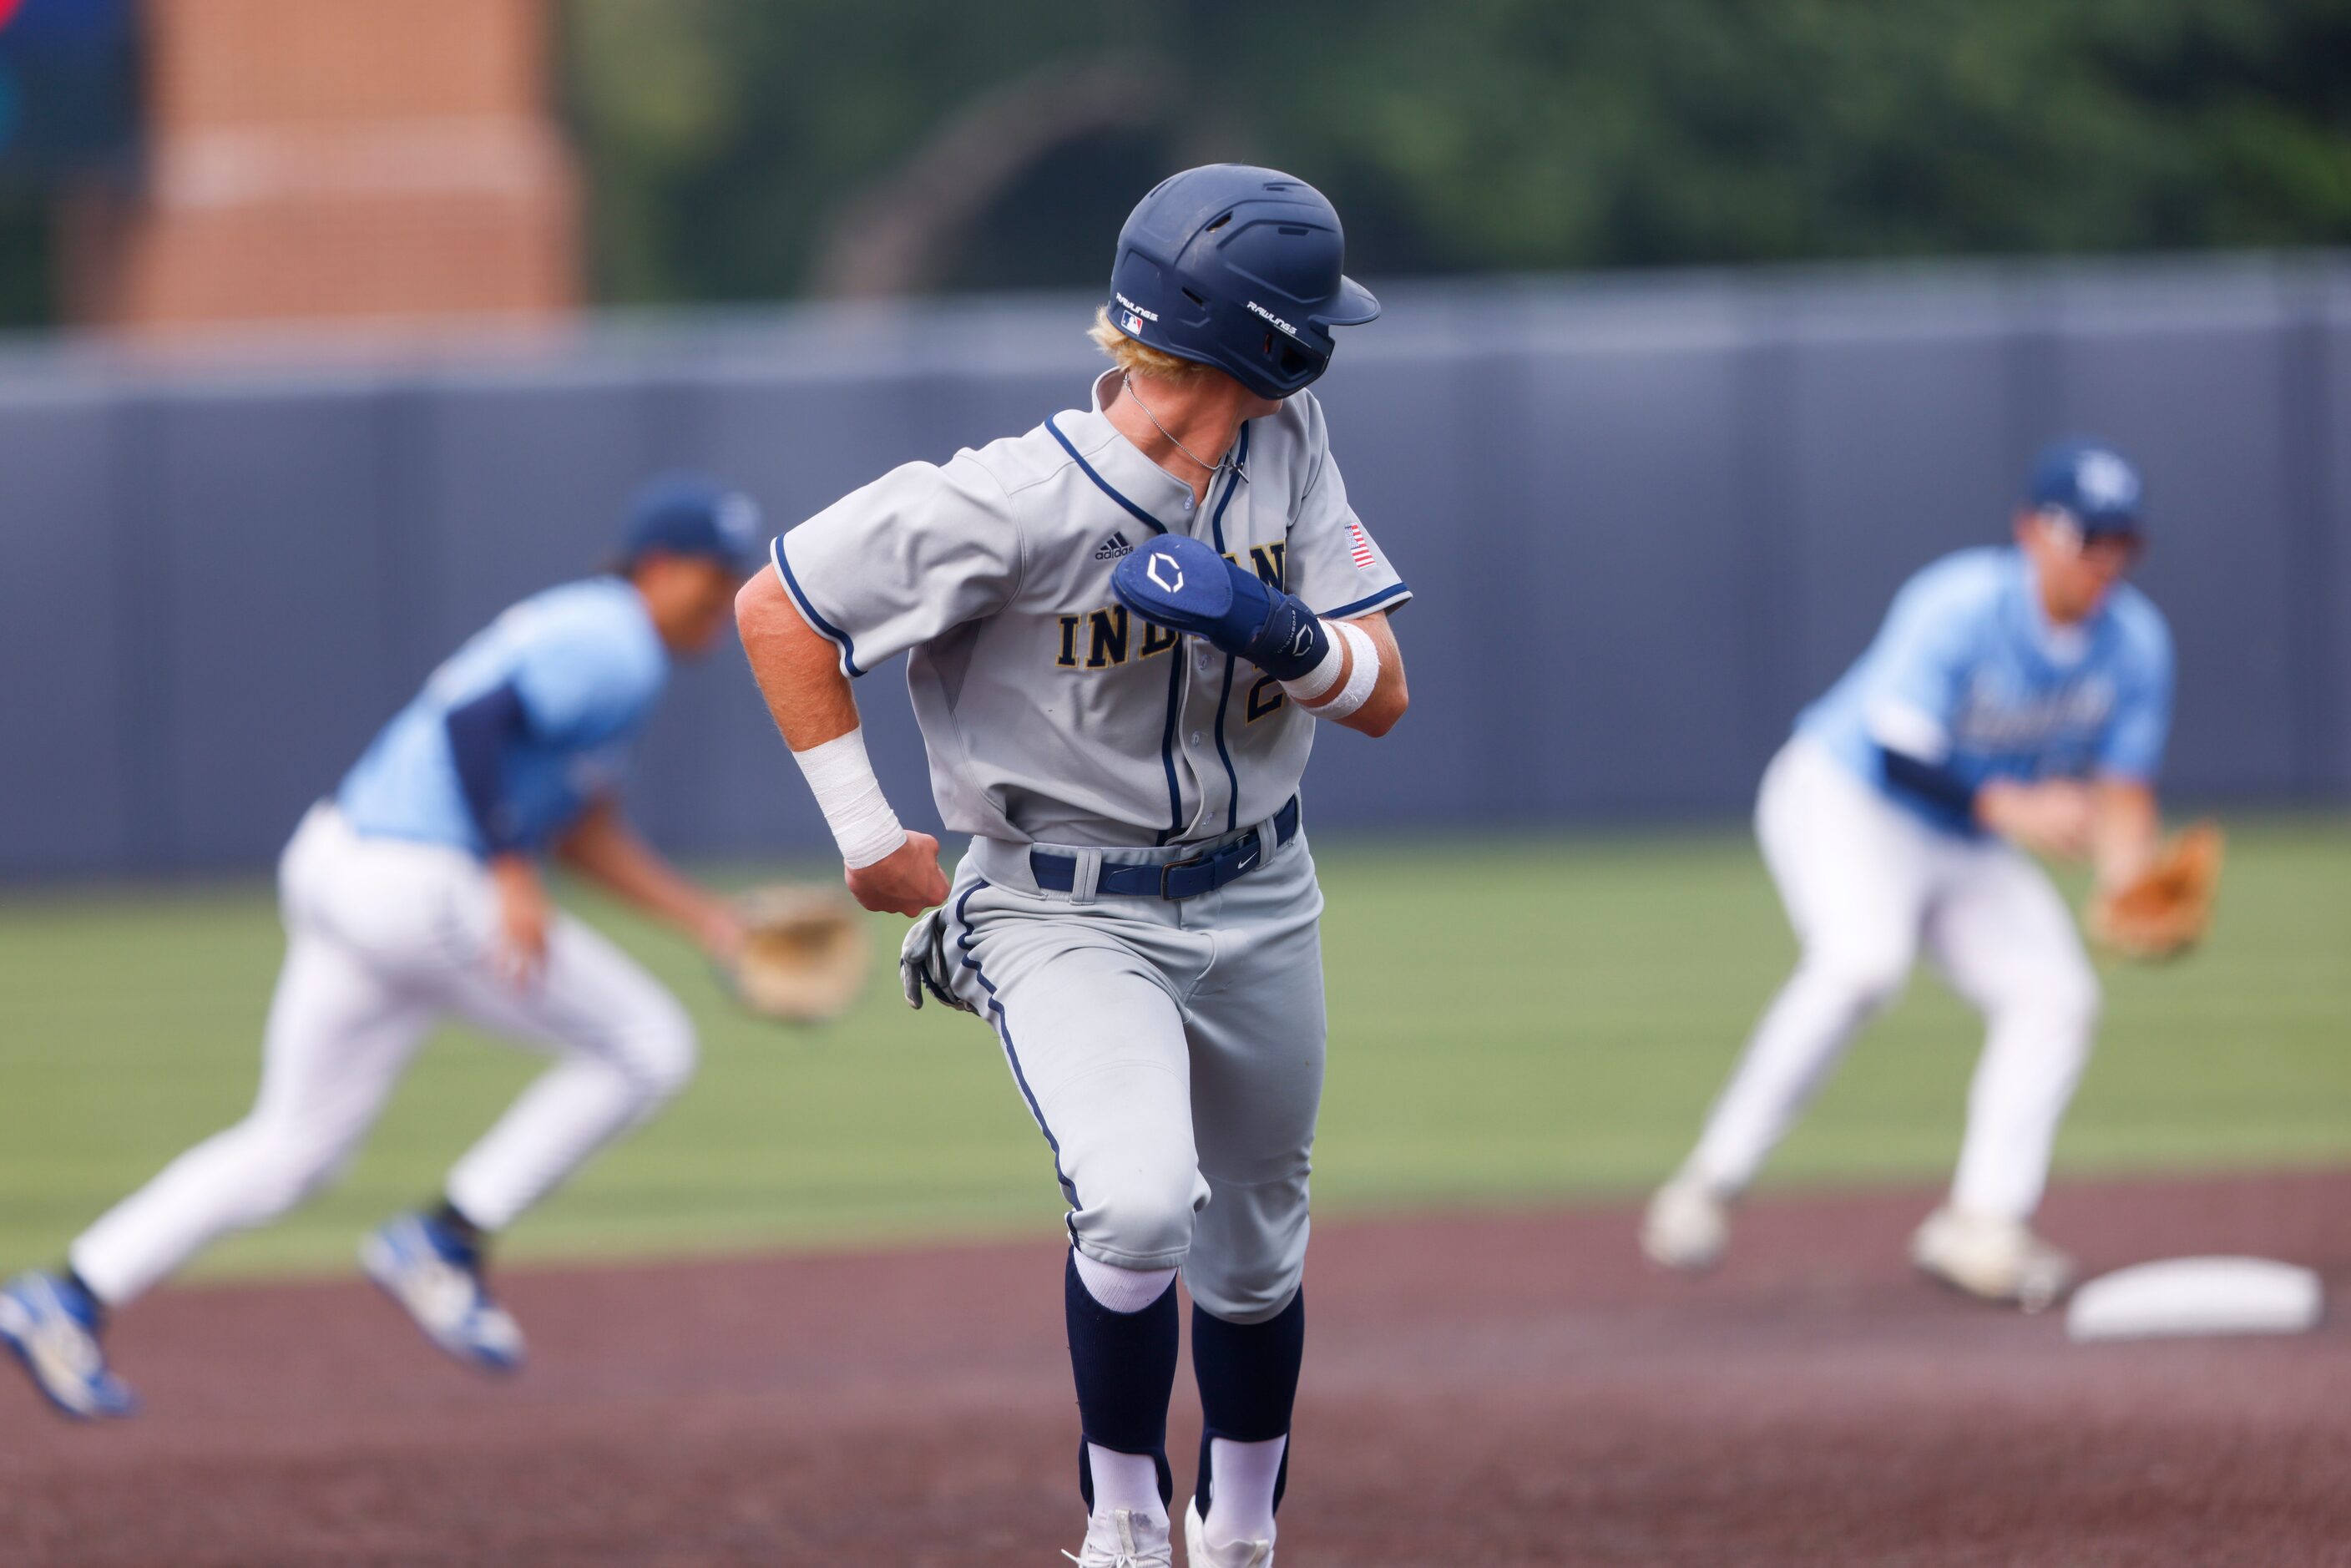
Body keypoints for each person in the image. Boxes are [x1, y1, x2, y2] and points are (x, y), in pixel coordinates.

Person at [736, 164, 1409, 1567]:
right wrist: (868, 837)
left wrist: (1275, 628)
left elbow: (1382, 689)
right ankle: (1119, 1526)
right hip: (1065, 904)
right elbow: (781, 606)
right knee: (1141, 1198)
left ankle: (1235, 1537)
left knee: (1257, 1247)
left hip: (1261, 889)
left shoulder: (1290, 443)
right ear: (1260, 334)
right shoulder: (1008, 502)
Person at [0, 476, 762, 1418]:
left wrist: (711, 924)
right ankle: (445, 1239)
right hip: (419, 883)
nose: (727, 599)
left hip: (339, 864)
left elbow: (582, 829)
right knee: (648, 1046)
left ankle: (65, 1296)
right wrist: (506, 872)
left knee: (292, 1150)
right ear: (655, 567)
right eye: (714, 574)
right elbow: (472, 725)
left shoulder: (589, 636)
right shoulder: (617, 644)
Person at [1642, 440, 2176, 1311]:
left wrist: (2128, 881)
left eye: (2120, 544)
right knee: (1860, 963)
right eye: (2088, 540)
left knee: (2056, 996)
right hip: (1844, 794)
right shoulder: (1959, 601)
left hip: (1962, 835)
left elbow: (2122, 796)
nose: (2104, 562)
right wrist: (2020, 810)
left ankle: (1983, 1223)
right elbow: (1899, 752)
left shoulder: (2136, 643)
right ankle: (1707, 1183)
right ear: (2031, 534)